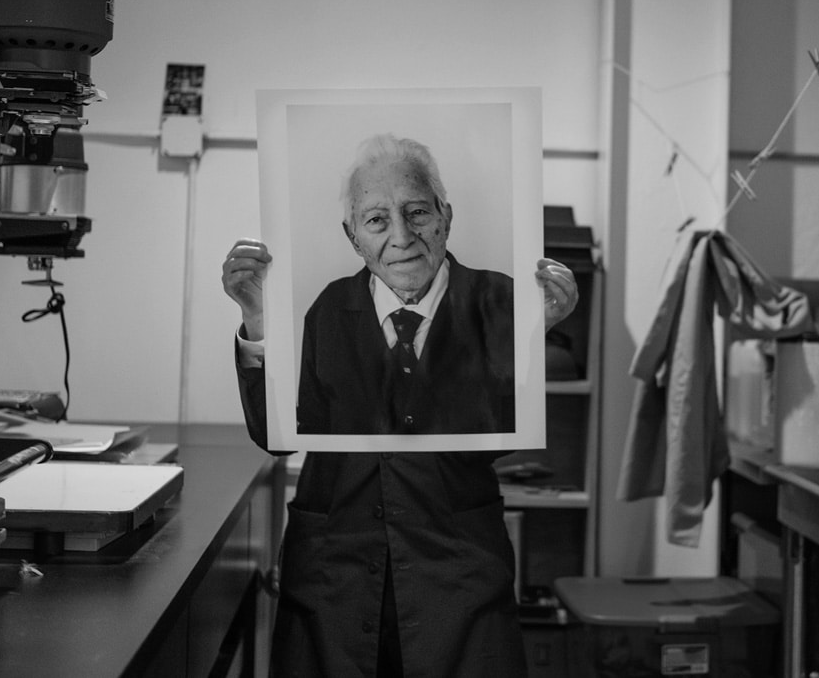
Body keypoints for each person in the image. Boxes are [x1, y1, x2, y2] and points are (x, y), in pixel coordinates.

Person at [221, 133, 578, 677]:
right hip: (335, 572)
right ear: (353, 236)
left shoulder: (502, 301)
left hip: (457, 572)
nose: (403, 236)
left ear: (445, 215)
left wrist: (537, 333)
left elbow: (507, 429)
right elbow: (280, 436)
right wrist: (255, 319)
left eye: (416, 213)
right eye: (377, 220)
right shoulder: (328, 309)